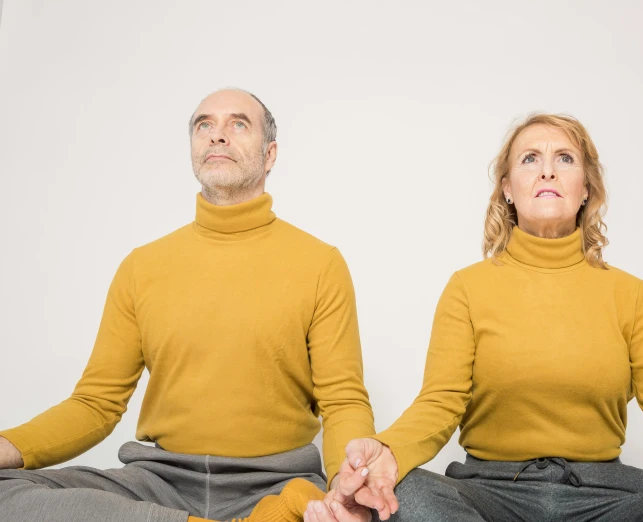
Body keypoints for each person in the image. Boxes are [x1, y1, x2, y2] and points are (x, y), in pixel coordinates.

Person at [306, 114, 643, 522]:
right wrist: (389, 452)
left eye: (565, 159)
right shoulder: (468, 287)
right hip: (492, 492)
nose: (547, 170)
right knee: (406, 499)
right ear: (508, 190)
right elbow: (440, 402)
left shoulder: (629, 294)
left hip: (605, 499)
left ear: (586, 189)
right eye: (529, 159)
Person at [0, 88, 376, 522]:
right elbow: (96, 404)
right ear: (193, 147)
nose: (217, 135)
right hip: (161, 483)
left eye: (238, 124)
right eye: (204, 125)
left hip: (276, 482)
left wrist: (344, 489)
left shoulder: (319, 263)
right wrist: (7, 445)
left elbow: (343, 400)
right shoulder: (142, 266)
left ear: (270, 154)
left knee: (344, 511)